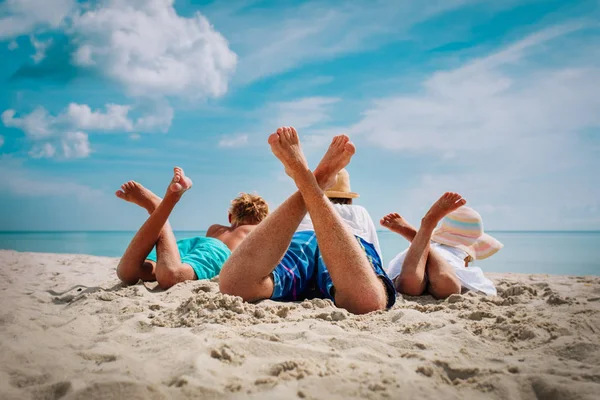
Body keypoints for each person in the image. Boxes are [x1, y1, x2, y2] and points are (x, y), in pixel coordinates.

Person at [218, 127, 396, 315]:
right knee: (366, 300)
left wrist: (307, 188)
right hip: (344, 246)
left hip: (301, 240)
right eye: (311, 185)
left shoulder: (297, 210)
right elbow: (374, 255)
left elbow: (276, 238)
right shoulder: (358, 211)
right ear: (349, 198)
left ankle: (308, 178)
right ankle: (313, 180)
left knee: (236, 286)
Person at [115, 167, 269, 289]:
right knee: (171, 275)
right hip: (218, 250)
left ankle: (158, 210)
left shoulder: (215, 229)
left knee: (128, 273)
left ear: (230, 217)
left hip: (189, 244)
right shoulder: (256, 230)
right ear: (262, 222)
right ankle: (163, 203)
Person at [381, 203, 503, 298]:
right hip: (443, 264)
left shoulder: (420, 247)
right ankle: (420, 236)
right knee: (448, 286)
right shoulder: (459, 253)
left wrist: (420, 241)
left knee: (408, 284)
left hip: (414, 258)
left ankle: (421, 235)